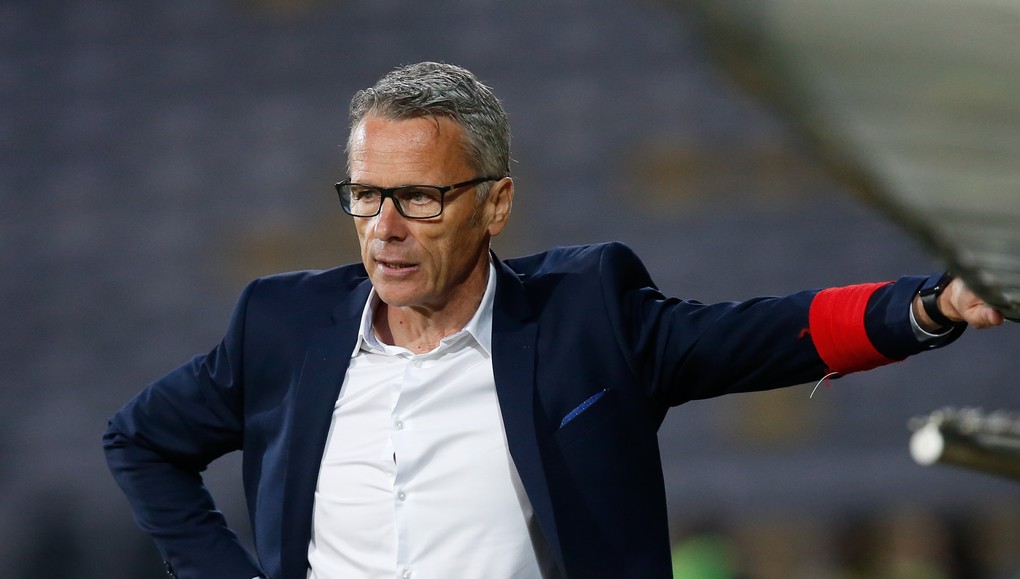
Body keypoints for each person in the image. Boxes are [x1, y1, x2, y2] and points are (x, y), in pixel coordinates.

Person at [104, 62, 1005, 579]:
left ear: (495, 205)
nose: (384, 227)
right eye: (367, 194)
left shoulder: (586, 314)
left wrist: (926, 306)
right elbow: (141, 439)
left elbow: (766, 333)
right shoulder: (282, 323)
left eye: (418, 196)